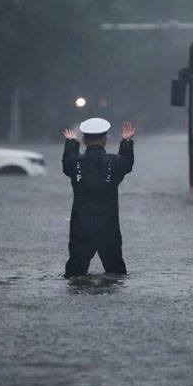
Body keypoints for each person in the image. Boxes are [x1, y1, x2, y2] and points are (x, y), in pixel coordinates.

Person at [61, 118, 135, 278]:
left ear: (84, 140)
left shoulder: (75, 163)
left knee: (74, 273)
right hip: (108, 225)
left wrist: (71, 143)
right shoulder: (114, 163)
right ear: (105, 140)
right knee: (116, 272)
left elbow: (66, 164)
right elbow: (127, 163)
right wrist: (126, 140)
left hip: (81, 226)